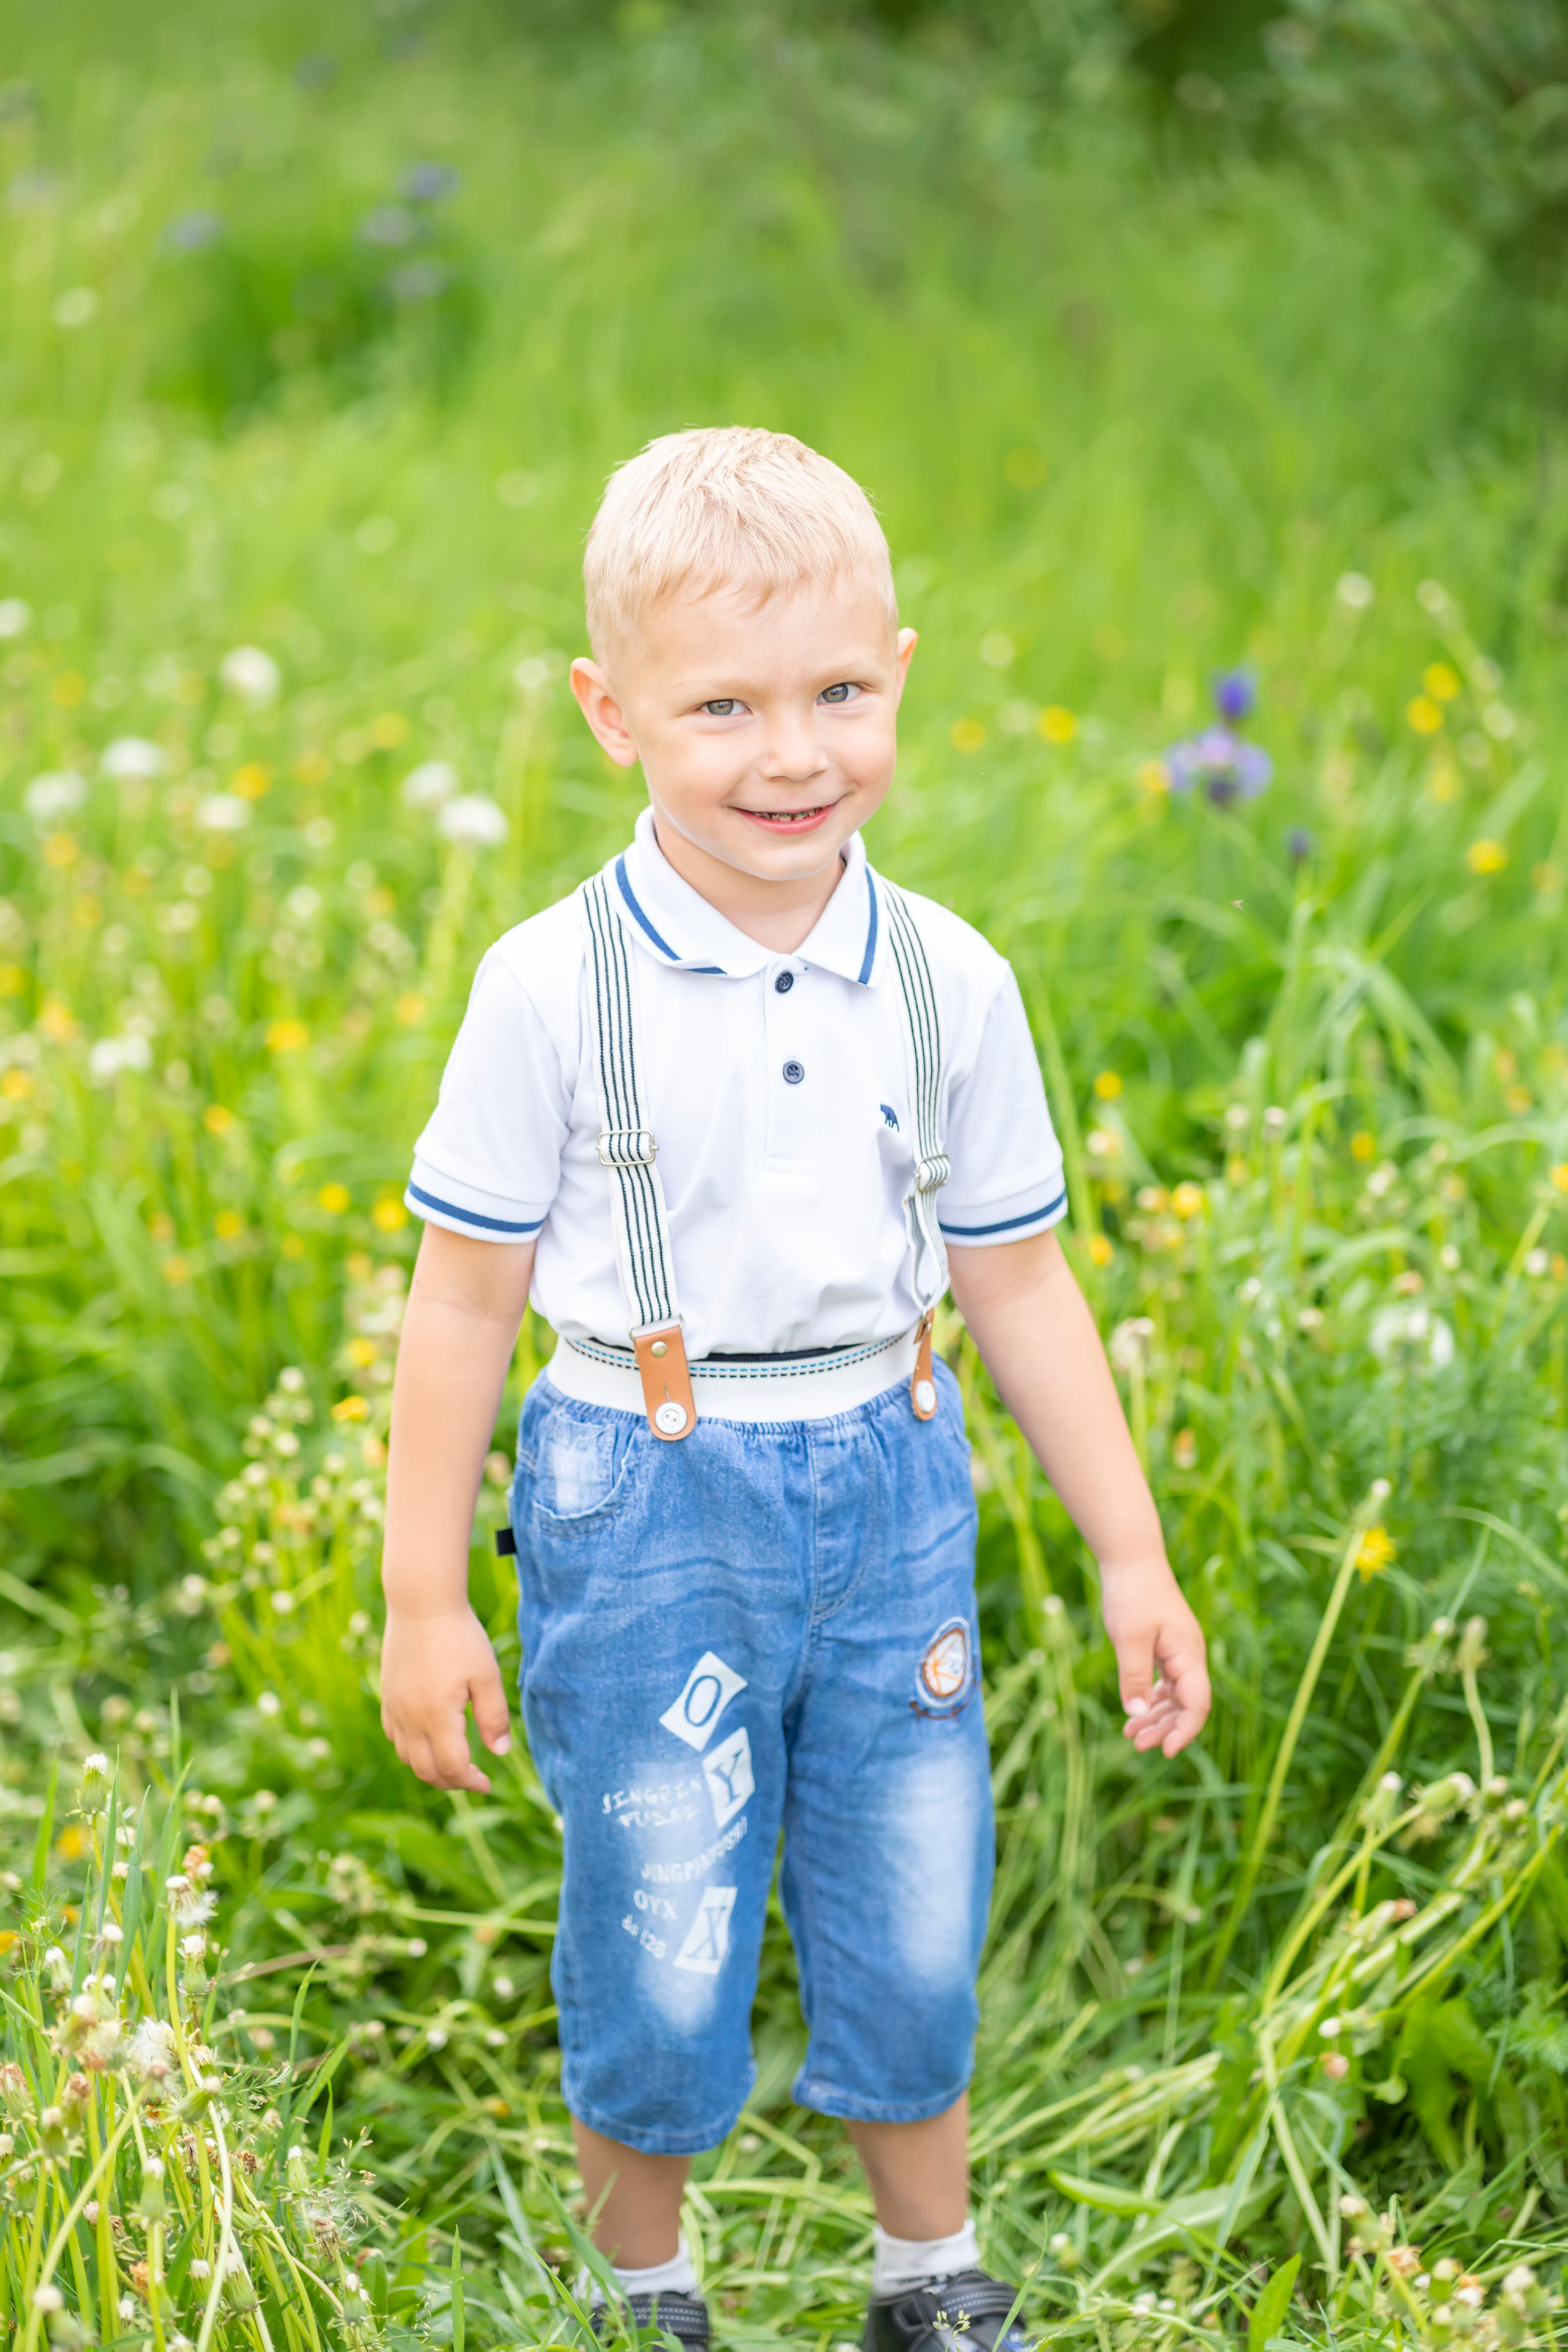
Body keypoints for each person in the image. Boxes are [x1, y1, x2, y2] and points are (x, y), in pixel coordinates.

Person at [379, 426, 1210, 2351]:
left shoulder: (947, 977)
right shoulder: (549, 986)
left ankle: (930, 2282)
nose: (792, 753)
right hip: (646, 1494)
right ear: (611, 714)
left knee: (914, 1895)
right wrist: (426, 1594)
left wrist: (1131, 1551)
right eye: (725, 705)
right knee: (662, 1928)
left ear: (900, 673)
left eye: (839, 692)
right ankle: (644, 2290)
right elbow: (461, 1296)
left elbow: (1016, 1272)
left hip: (893, 1480)